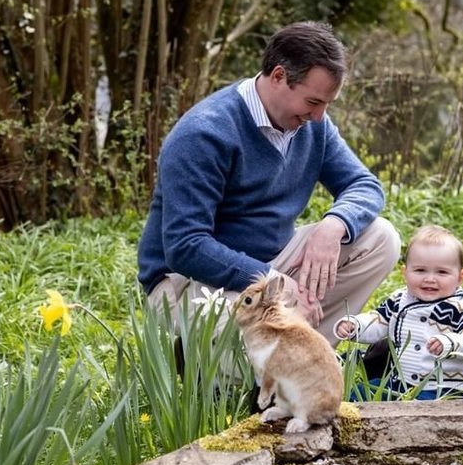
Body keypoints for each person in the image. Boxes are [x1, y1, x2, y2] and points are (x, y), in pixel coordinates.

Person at [137, 21, 401, 348]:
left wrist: (334, 225)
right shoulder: (203, 134)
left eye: (327, 104)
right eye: (314, 102)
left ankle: (302, 360)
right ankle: (220, 364)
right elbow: (185, 246)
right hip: (187, 284)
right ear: (278, 77)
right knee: (253, 330)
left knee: (380, 239)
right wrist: (274, 283)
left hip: (272, 263)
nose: (319, 116)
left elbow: (364, 184)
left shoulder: (312, 127)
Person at [335, 225, 463, 399]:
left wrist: (450, 343)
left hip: (442, 390)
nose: (430, 279)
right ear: (405, 272)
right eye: (420, 270)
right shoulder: (399, 300)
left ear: (460, 277)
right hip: (398, 382)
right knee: (358, 395)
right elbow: (378, 320)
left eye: (442, 272)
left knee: (421, 414)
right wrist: (356, 326)